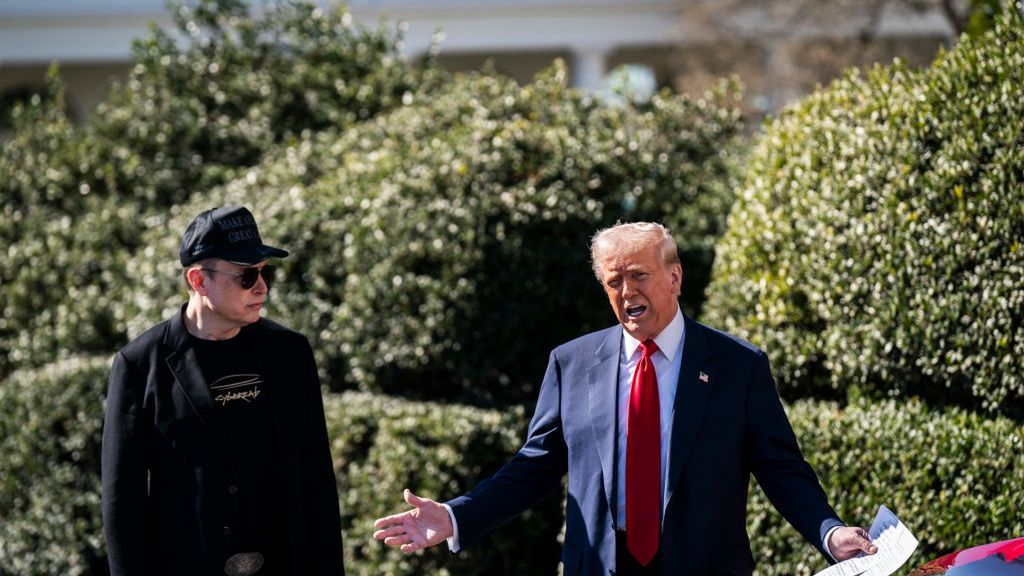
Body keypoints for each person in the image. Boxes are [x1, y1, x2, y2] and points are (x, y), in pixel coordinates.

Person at [373, 222, 877, 575]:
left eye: (639, 275)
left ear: (674, 278)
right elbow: (533, 467)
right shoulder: (570, 363)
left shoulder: (737, 366)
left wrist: (830, 533)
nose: (626, 290)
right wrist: (457, 515)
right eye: (613, 281)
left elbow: (781, 467)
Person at [102, 205, 343, 576]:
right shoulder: (139, 365)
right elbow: (123, 505)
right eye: (247, 276)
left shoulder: (291, 353)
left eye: (265, 274)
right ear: (198, 280)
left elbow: (317, 484)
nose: (261, 287)